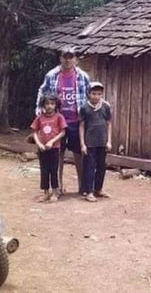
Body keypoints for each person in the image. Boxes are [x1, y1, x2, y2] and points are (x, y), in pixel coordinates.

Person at [36, 45, 90, 195]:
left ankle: (82, 187)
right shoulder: (52, 75)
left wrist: (91, 114)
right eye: (65, 57)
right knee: (57, 153)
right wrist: (39, 112)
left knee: (78, 153)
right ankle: (57, 187)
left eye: (70, 57)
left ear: (75, 59)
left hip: (75, 121)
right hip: (56, 121)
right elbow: (42, 92)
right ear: (60, 58)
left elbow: (89, 95)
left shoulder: (82, 76)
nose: (67, 60)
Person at [79, 81, 112, 202]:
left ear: (102, 94)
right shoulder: (84, 108)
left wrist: (109, 141)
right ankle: (88, 191)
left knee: (101, 167)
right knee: (89, 167)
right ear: (89, 94)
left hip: (102, 142)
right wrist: (82, 144)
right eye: (93, 93)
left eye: (99, 94)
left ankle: (99, 189)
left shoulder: (106, 107)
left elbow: (109, 124)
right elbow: (81, 126)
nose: (96, 96)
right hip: (90, 143)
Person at [30, 94, 67, 202]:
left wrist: (52, 141)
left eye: (52, 103)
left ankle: (55, 192)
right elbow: (34, 132)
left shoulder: (59, 117)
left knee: (54, 170)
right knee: (44, 170)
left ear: (56, 105)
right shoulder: (40, 118)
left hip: (54, 148)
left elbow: (63, 132)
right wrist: (39, 144)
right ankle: (46, 192)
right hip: (42, 149)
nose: (49, 106)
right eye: (47, 104)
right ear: (43, 105)